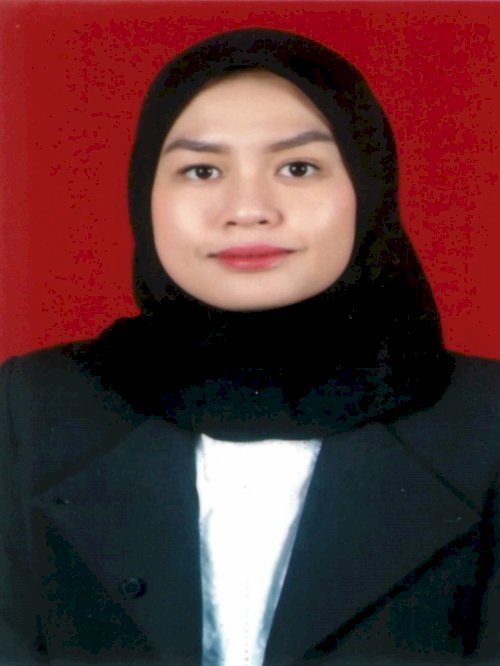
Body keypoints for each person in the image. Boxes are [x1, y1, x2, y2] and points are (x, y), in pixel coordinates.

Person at [0, 27, 499, 665]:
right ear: (145, 195)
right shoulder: (34, 407)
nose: (247, 209)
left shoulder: (486, 421)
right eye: (202, 170)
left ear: (367, 189)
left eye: (298, 167)